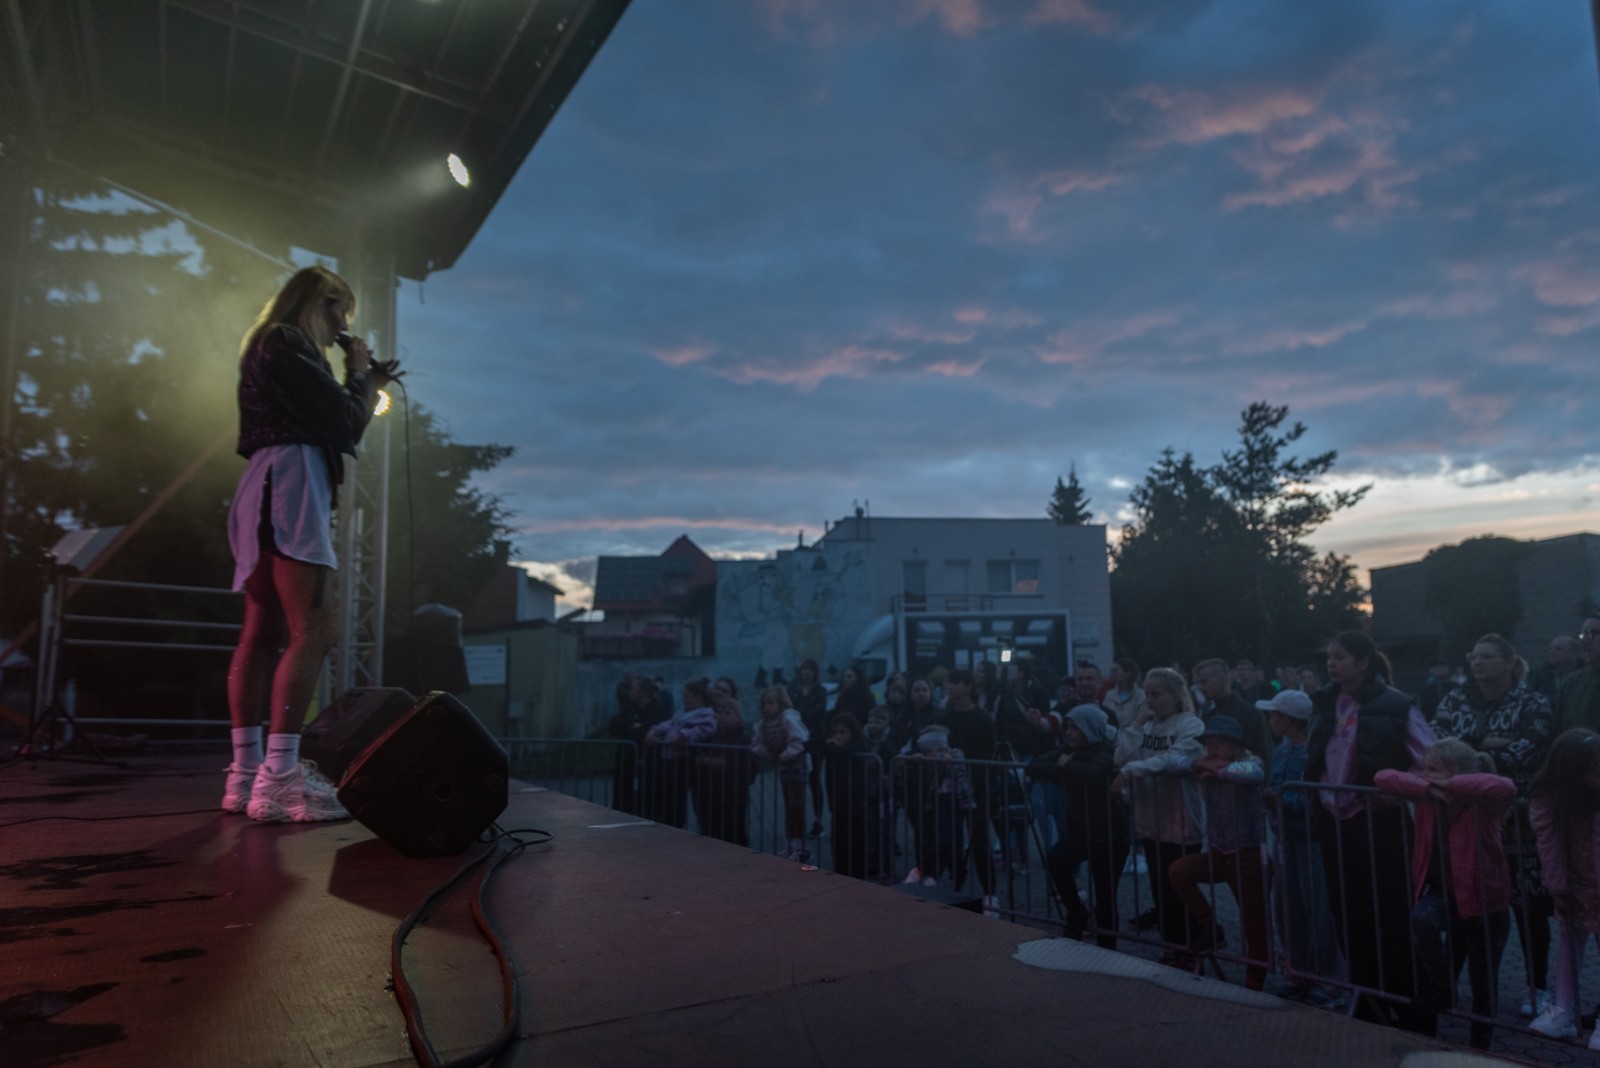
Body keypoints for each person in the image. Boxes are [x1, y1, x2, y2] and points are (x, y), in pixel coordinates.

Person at [224, 266, 399, 823]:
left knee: (262, 631)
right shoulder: (288, 343)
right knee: (314, 628)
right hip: (291, 480)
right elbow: (343, 423)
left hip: (265, 480)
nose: (342, 323)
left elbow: (340, 420)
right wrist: (360, 376)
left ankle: (247, 773)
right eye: (339, 309)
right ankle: (279, 776)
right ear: (316, 303)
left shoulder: (271, 344)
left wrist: (365, 383)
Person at [1305, 630, 1435, 1028]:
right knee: (1349, 915)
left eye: (1341, 656)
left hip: (1379, 823)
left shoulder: (1396, 705)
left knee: (1391, 915)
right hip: (1334, 822)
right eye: (1329, 657)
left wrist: (1393, 791)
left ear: (1363, 662)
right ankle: (1367, 998)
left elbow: (1429, 760)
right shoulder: (1324, 704)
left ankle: (1411, 1003)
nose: (1332, 664)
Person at [1431, 632, 1556, 1018]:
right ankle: (1448, 984)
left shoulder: (1532, 701)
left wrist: (1468, 753)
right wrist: (1490, 745)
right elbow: (1438, 743)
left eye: (1487, 656)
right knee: (1464, 903)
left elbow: (1530, 747)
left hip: (1519, 824)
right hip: (1465, 820)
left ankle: (1537, 987)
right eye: (1474, 655)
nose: (1478, 662)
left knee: (1528, 908)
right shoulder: (1455, 698)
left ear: (1508, 662)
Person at [1375, 738, 1514, 1050]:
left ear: (1459, 772)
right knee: (1422, 922)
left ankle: (1479, 1046)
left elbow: (1505, 786)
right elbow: (1382, 777)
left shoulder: (1483, 802)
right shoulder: (1426, 797)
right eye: (1425, 769)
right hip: (1447, 897)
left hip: (1485, 903)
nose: (1425, 775)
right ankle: (1442, 998)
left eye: (1434, 769)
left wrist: (1451, 785)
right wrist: (1428, 787)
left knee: (1483, 981)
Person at [1164, 716, 1270, 990]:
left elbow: (1255, 772)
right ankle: (1210, 926)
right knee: (1178, 870)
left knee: (1254, 923)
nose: (1212, 747)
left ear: (1235, 746)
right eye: (1209, 742)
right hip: (1218, 853)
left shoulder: (1250, 761)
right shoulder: (1204, 762)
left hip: (1247, 855)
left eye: (1220, 742)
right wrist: (1198, 765)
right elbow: (1170, 762)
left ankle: (1254, 982)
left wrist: (1219, 772)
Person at [1112, 666, 1205, 957]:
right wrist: (1137, 725)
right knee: (1160, 892)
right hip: (1150, 820)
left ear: (1175, 696)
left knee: (1180, 891)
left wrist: (1131, 771)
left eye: (1156, 694)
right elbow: (1119, 757)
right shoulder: (1147, 726)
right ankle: (1171, 948)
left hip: (1181, 820)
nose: (1149, 701)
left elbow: (1176, 759)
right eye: (1147, 694)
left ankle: (1192, 948)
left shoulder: (1191, 725)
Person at [1260, 688, 1339, 1005]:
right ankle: (1297, 972)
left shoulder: (1312, 753)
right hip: (1286, 838)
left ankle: (1328, 980)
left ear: (1285, 720)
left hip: (1311, 840)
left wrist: (1279, 799)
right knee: (1288, 908)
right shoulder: (1282, 750)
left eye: (1274, 715)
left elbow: (1315, 797)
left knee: (1318, 911)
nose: (1270, 720)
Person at [1027, 704, 1127, 948]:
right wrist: (1065, 768)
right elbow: (1034, 766)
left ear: (1090, 729)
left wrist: (1066, 767)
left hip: (1109, 830)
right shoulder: (1068, 751)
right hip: (1082, 827)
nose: (1070, 732)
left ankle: (1107, 948)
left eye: (1076, 727)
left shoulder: (1104, 749)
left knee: (1105, 893)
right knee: (1056, 860)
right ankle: (1077, 911)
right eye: (1068, 727)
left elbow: (1094, 772)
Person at [1527, 729, 1600, 1048]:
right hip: (1576, 881)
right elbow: (1548, 843)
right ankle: (1562, 1010)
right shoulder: (1548, 798)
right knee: (1569, 940)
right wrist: (1557, 888)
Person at [903, 725, 975, 888]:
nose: (928, 755)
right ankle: (933, 874)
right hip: (938, 800)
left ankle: (940, 875)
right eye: (926, 752)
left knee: (949, 840)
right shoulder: (929, 758)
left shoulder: (956, 753)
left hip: (957, 801)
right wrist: (919, 759)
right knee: (943, 839)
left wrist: (946, 761)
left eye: (930, 751)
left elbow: (959, 767)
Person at [643, 678, 719, 829]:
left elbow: (706, 729)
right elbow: (668, 724)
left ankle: (676, 825)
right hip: (670, 759)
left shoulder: (706, 714)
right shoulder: (681, 714)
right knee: (667, 796)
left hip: (684, 762)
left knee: (677, 798)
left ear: (698, 697)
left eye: (686, 695)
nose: (683, 699)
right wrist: (654, 730)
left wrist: (684, 735)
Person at [751, 684, 812, 862]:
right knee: (788, 805)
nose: (767, 707)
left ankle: (800, 845)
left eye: (771, 703)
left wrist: (783, 756)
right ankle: (791, 842)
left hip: (798, 767)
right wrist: (765, 753)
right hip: (784, 767)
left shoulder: (788, 718)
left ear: (781, 703)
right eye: (764, 703)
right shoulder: (763, 724)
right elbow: (756, 743)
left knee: (796, 805)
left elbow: (799, 740)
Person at [690, 694, 756, 847]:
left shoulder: (743, 739)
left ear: (737, 717)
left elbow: (750, 768)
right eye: (719, 713)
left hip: (733, 795)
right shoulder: (711, 737)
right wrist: (708, 762)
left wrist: (726, 765)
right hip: (711, 794)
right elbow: (696, 757)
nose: (722, 716)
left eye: (727, 713)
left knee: (733, 833)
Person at [824, 712, 882, 880]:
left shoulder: (858, 746)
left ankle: (858, 874)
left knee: (857, 840)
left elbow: (853, 749)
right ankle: (840, 872)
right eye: (835, 733)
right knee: (839, 839)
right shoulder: (835, 750)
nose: (838, 736)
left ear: (852, 732)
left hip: (857, 802)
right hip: (839, 802)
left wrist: (833, 747)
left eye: (842, 732)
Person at [1194, 658, 1273, 777]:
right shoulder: (1208, 714)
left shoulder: (1251, 714)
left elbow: (1264, 757)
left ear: (1222, 679)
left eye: (1204, 682)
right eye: (1198, 683)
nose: (1200, 687)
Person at [790, 659, 830, 836]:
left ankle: (818, 821)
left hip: (815, 741)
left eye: (811, 669)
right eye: (805, 669)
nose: (807, 672)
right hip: (796, 740)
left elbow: (819, 712)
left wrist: (801, 713)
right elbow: (790, 712)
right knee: (795, 782)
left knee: (815, 781)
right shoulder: (792, 690)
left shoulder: (820, 691)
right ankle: (796, 823)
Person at [1101, 656, 1145, 729]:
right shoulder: (1109, 694)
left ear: (1128, 673)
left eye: (1115, 671)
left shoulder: (1140, 695)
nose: (1111, 674)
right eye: (1111, 671)